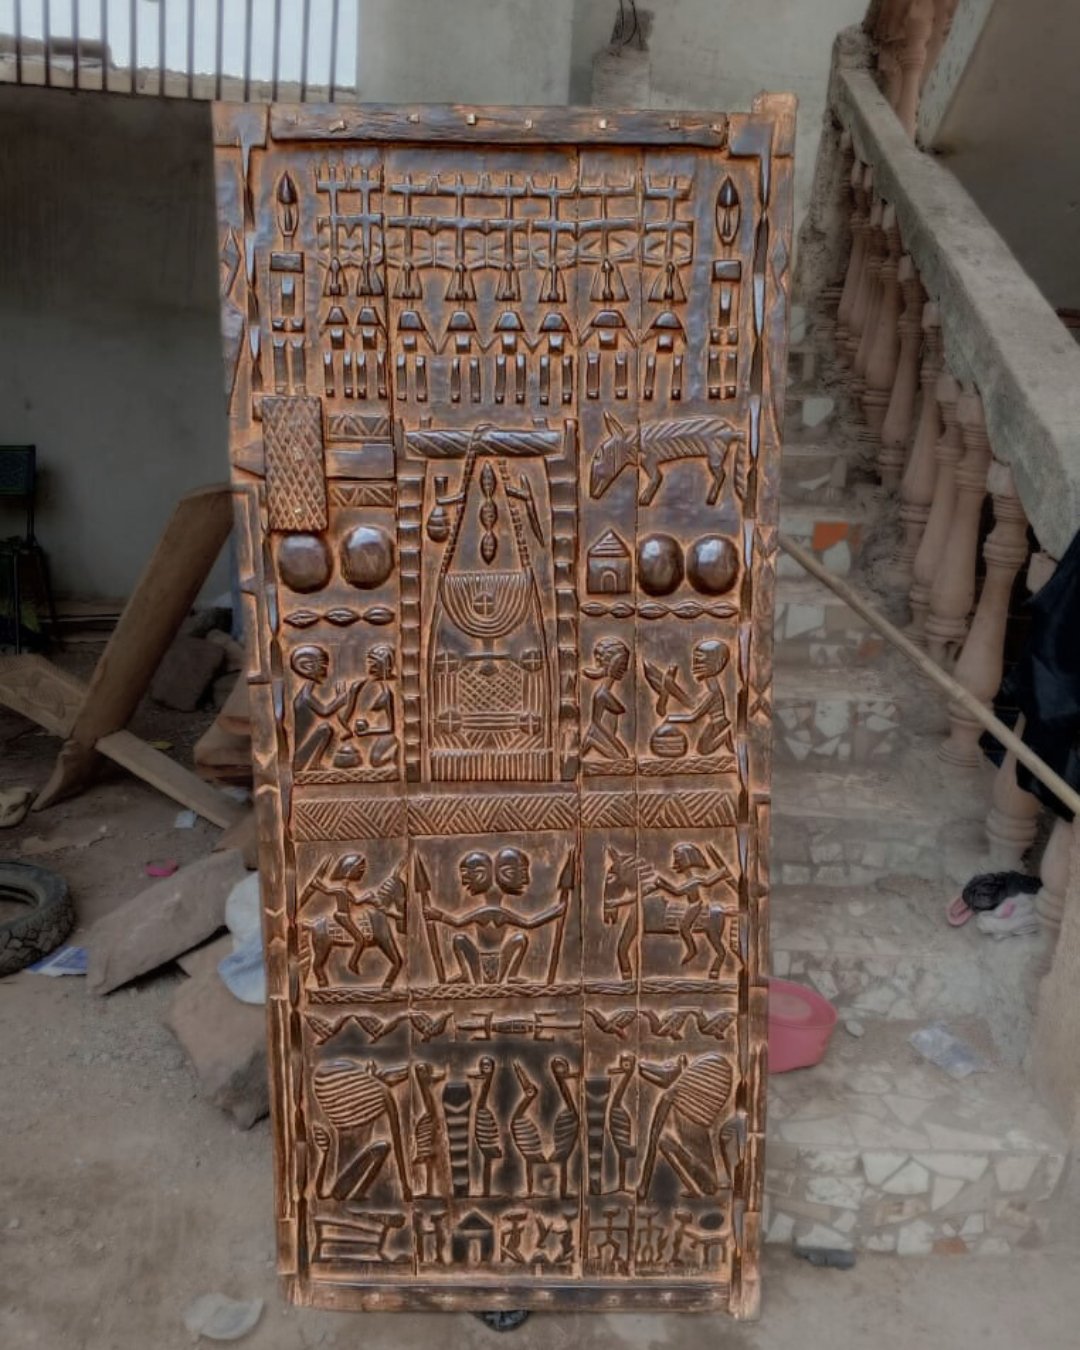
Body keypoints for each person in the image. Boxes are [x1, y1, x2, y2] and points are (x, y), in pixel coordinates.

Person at [424, 847, 566, 984]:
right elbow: (530, 923)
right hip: (494, 962)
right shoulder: (497, 914)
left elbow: (457, 922)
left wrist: (438, 915)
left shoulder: (488, 913)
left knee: (459, 939)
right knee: (520, 939)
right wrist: (554, 912)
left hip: (482, 962)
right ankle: (510, 975)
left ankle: (468, 974)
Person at [582, 636, 631, 762]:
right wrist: (614, 742)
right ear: (613, 663)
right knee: (622, 758)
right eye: (622, 664)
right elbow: (596, 723)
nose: (625, 669)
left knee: (623, 757)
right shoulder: (601, 694)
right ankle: (592, 741)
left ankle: (591, 741)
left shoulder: (604, 693)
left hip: (604, 735)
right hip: (601, 735)